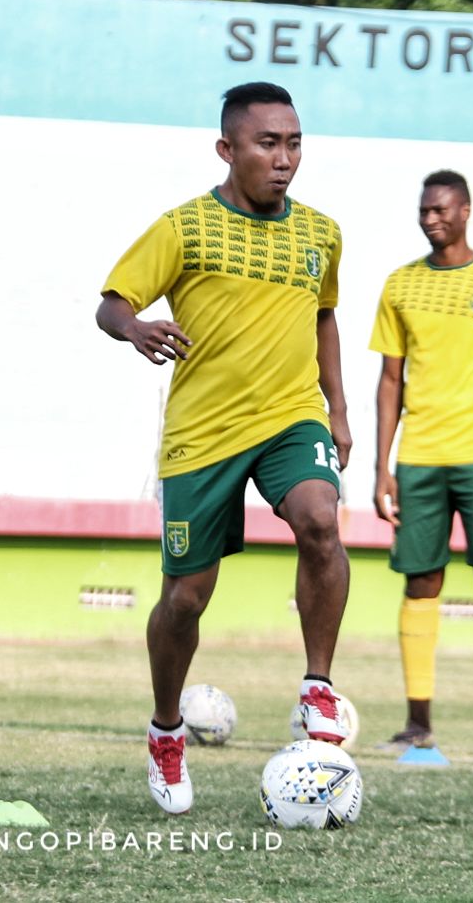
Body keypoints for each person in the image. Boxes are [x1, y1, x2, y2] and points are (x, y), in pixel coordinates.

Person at [96, 82, 352, 814]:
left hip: (289, 417)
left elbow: (324, 315)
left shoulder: (322, 233)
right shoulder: (183, 227)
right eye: (268, 143)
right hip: (203, 436)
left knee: (320, 520)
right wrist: (136, 328)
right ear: (227, 149)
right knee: (186, 598)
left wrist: (337, 408)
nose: (284, 158)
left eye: (294, 142)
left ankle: (317, 687)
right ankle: (167, 730)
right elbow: (111, 304)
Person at [370, 170, 473, 757]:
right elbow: (391, 379)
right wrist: (381, 467)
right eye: (424, 210)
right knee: (421, 581)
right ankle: (418, 721)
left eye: (441, 209)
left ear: (465, 210)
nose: (430, 218)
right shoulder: (400, 284)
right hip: (419, 459)